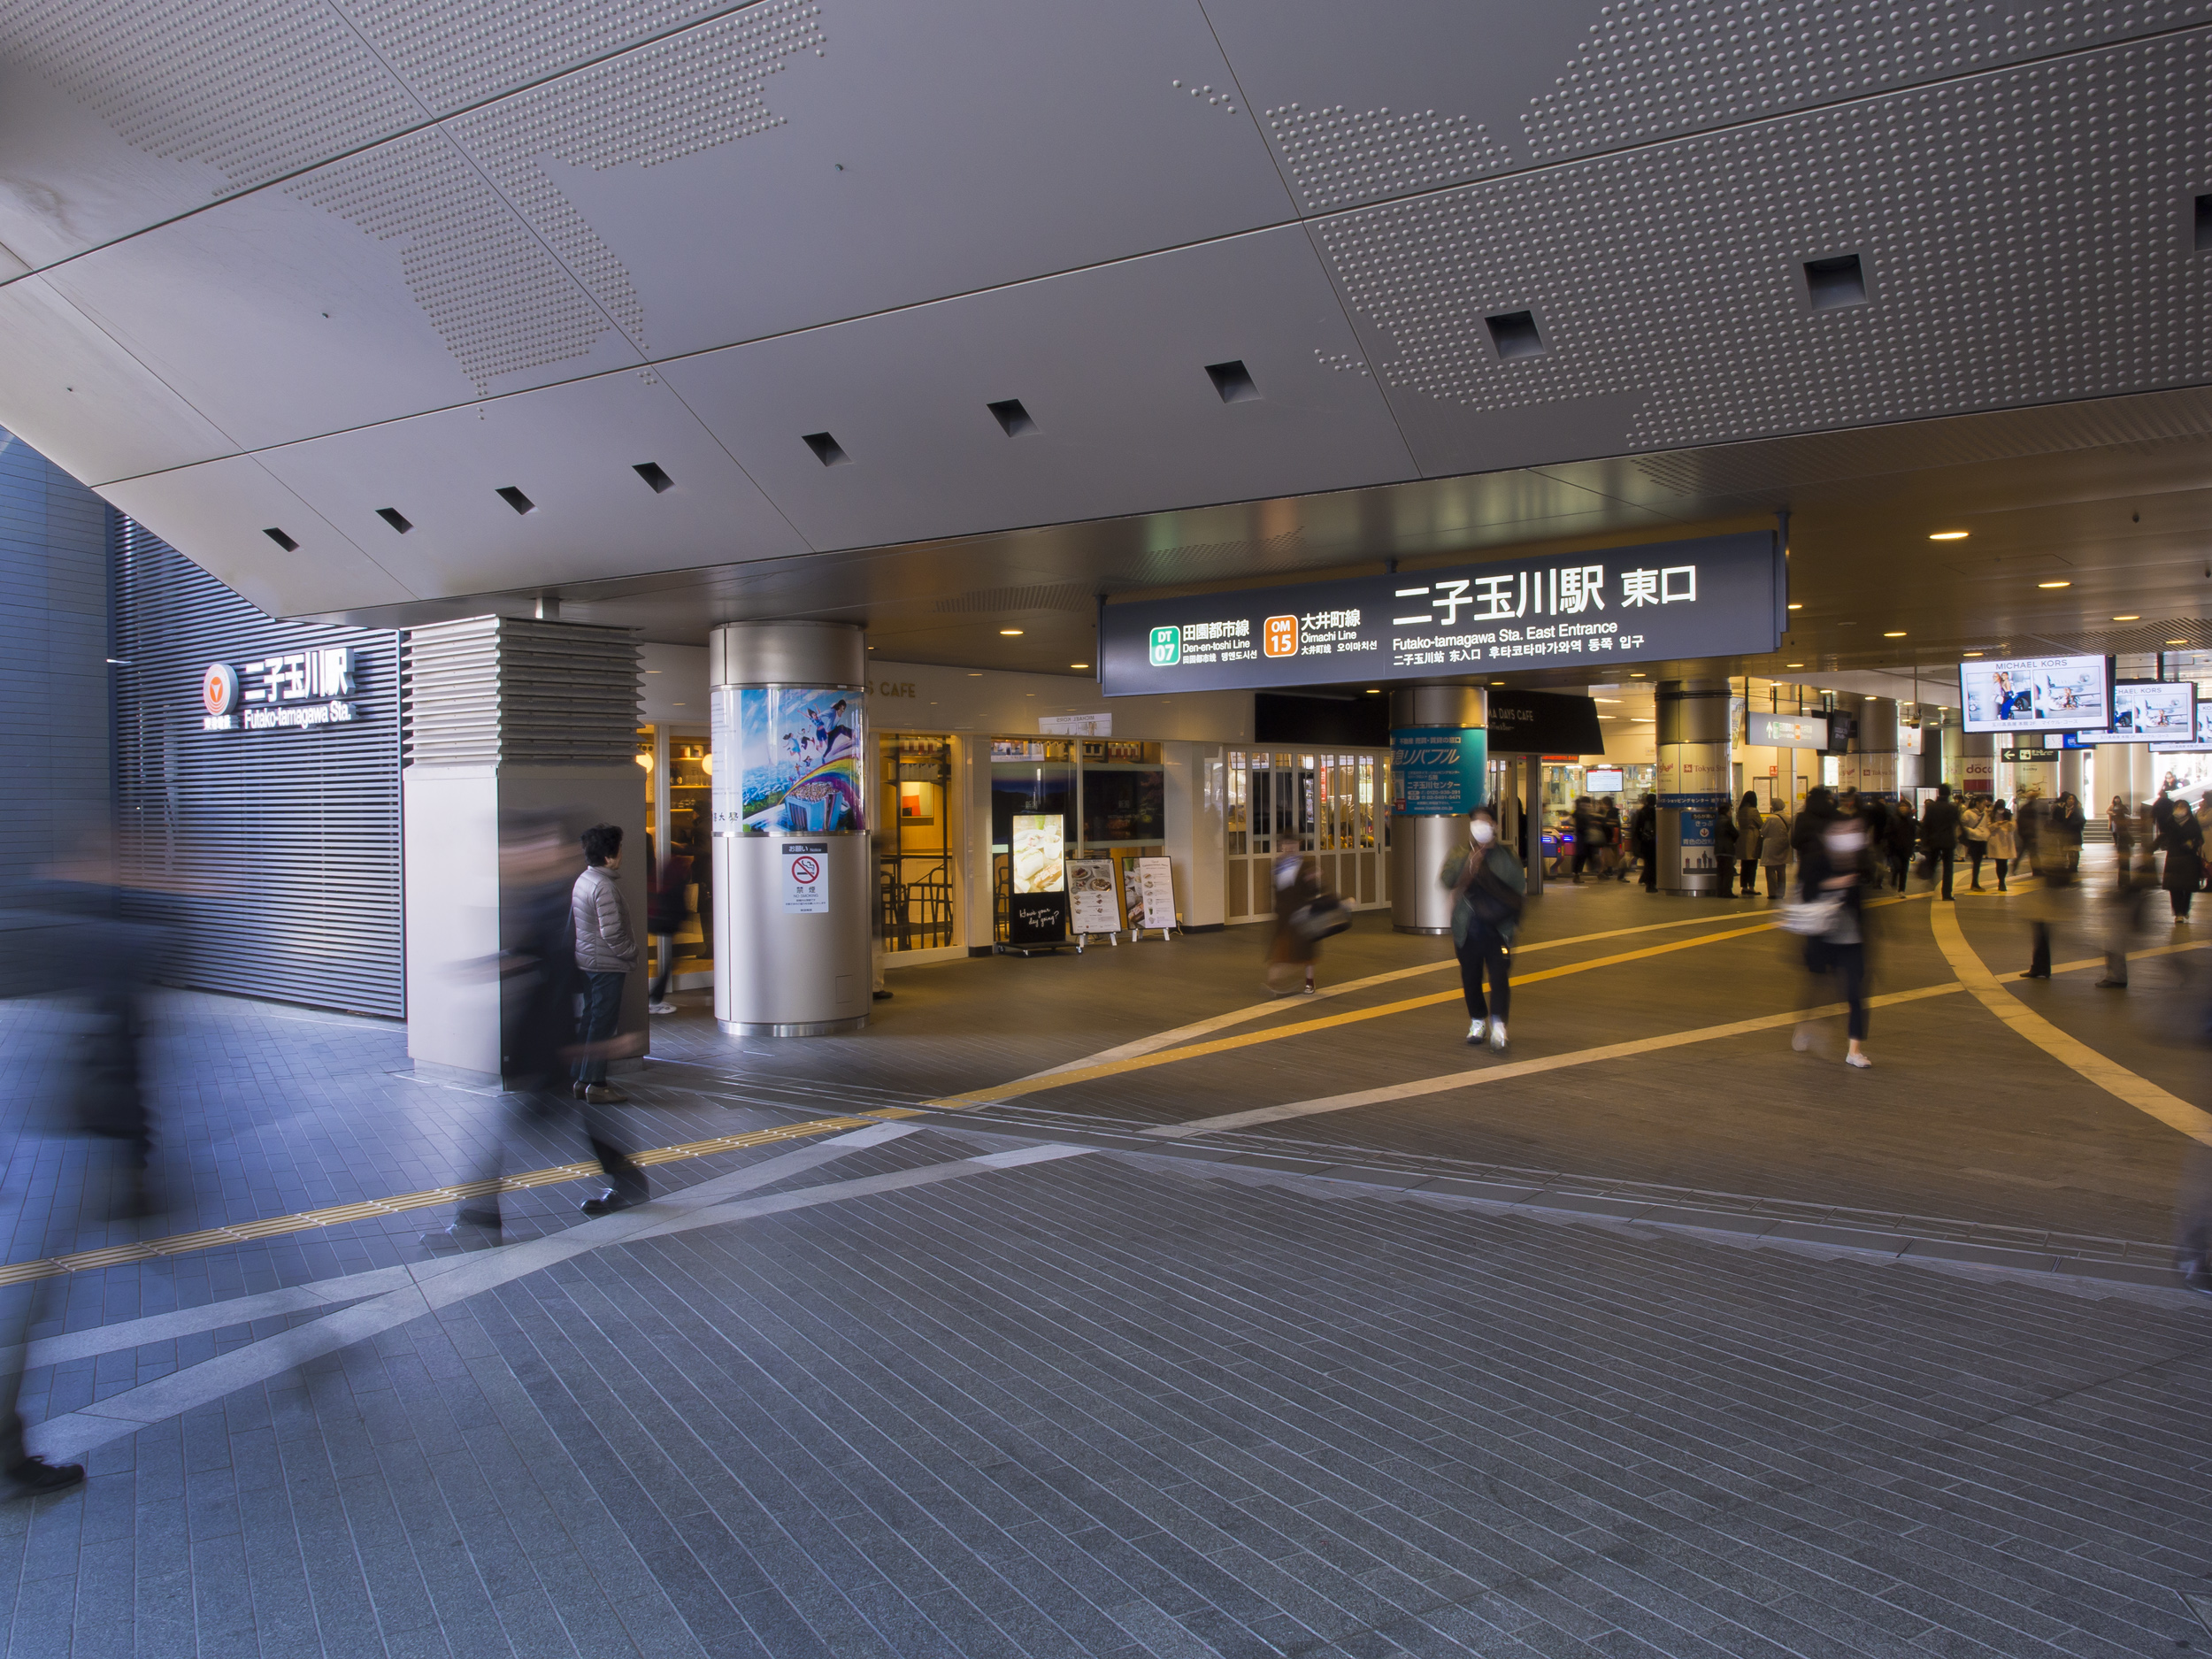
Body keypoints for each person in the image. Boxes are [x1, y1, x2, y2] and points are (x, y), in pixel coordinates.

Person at [442, 814, 649, 1240]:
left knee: (510, 1127)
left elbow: (559, 973)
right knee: (576, 1123)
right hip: (542, 1042)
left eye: (523, 846)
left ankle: (479, 1215)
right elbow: (532, 957)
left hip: (547, 1044)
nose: (511, 856)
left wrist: (584, 1048)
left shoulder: (560, 894)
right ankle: (629, 1183)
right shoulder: (548, 893)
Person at [1793, 799, 1873, 1068]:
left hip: (1852, 939)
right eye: (1843, 830)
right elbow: (1806, 891)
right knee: (1820, 988)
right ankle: (1805, 1025)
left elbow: (1867, 893)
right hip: (1823, 935)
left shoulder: (1859, 858)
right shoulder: (1816, 857)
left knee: (1855, 993)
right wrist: (1835, 882)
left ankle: (1854, 1050)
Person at [1442, 806, 1525, 1051]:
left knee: (1499, 978)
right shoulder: (1459, 853)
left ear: (1495, 826)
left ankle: (1499, 1026)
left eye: (1485, 822)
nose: (1481, 827)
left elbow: (1518, 892)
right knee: (1471, 978)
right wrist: (1467, 863)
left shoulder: (1507, 858)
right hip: (1468, 928)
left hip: (1498, 929)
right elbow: (1446, 881)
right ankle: (1477, 1021)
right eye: (1475, 822)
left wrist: (1512, 927)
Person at [572, 824, 636, 1104]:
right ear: (610, 856)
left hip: (588, 961)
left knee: (591, 1020)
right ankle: (596, 1084)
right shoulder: (604, 887)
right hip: (605, 965)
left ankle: (581, 1078)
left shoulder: (585, 879)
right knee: (602, 1024)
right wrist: (630, 952)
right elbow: (611, 932)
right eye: (620, 848)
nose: (621, 853)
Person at [645, 830, 694, 1014]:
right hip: (666, 917)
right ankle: (655, 997)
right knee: (669, 959)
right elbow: (676, 893)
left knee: (668, 958)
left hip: (658, 914)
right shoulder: (678, 864)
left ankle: (655, 996)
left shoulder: (661, 862)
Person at [1268, 851, 1323, 995]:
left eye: (1292, 843)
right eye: (1285, 844)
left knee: (1306, 951)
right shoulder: (1278, 866)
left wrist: (1313, 878)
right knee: (1282, 948)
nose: (1289, 847)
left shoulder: (1305, 864)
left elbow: (1314, 890)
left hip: (1303, 913)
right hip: (1285, 915)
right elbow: (1276, 891)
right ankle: (1274, 982)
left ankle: (1309, 982)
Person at [2164, 798, 2204, 922]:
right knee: (2175, 887)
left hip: (2188, 858)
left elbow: (2200, 839)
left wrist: (2193, 843)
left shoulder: (2193, 822)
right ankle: (2178, 912)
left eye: (2183, 807)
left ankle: (2185, 909)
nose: (2180, 810)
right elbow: (2166, 838)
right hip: (2174, 858)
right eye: (2178, 807)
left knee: (2187, 887)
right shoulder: (2170, 822)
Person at [1918, 782, 1960, 900]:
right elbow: (1956, 823)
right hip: (1948, 841)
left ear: (1938, 792)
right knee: (1948, 868)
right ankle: (1946, 893)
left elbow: (1926, 824)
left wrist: (1925, 840)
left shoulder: (1931, 807)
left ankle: (1930, 877)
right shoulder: (1952, 808)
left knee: (1932, 862)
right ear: (1949, 794)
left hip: (1934, 840)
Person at [1885, 796, 1916, 895]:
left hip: (1906, 849)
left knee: (1904, 870)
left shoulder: (1911, 821)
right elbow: (1888, 833)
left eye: (1906, 807)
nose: (1903, 808)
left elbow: (1913, 834)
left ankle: (1902, 889)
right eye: (1901, 807)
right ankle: (1894, 878)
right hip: (1895, 849)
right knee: (1897, 867)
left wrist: (1912, 846)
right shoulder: (1893, 819)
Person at [1758, 803, 1790, 899]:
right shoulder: (1788, 818)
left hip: (1771, 845)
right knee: (1781, 870)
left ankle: (1772, 893)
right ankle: (1781, 892)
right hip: (1783, 844)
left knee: (1770, 869)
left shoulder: (1772, 818)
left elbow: (1763, 831)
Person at [1734, 791, 1763, 895]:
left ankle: (1744, 886)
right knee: (1752, 864)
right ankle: (1751, 887)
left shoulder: (1740, 810)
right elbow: (1761, 824)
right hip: (1752, 838)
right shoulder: (1753, 811)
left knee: (1744, 864)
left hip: (1742, 838)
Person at [1960, 795, 1990, 890]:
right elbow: (1962, 825)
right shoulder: (1968, 813)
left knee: (1978, 862)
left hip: (1982, 839)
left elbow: (1987, 825)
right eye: (1983, 804)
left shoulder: (1985, 814)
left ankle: (1975, 882)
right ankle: (1974, 883)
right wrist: (1971, 831)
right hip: (1973, 840)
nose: (1984, 806)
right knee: (1976, 861)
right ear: (1977, 803)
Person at [1986, 802, 2016, 893]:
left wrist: (2010, 825)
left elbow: (2014, 826)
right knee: (1999, 862)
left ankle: (2003, 880)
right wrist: (1997, 824)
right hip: (1996, 840)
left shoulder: (2008, 814)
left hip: (2006, 840)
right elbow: (1988, 827)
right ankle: (2001, 881)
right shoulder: (1991, 815)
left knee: (2004, 862)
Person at [2054, 792, 2085, 873]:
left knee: (2074, 850)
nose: (2071, 800)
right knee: (2068, 850)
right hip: (2065, 834)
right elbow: (2057, 820)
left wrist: (2073, 824)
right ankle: (2069, 865)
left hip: (2075, 834)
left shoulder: (2077, 810)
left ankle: (2074, 866)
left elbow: (2082, 820)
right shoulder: (2061, 809)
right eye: (2069, 799)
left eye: (2073, 799)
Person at [1632, 794, 1658, 892]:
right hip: (1652, 842)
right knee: (1652, 864)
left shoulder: (1642, 812)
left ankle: (1647, 881)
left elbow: (1637, 829)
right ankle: (1650, 884)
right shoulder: (1654, 812)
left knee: (1648, 863)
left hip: (1645, 842)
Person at [2108, 795, 2135, 874]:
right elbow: (2125, 833)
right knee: (2125, 866)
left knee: (2123, 867)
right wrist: (2131, 841)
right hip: (2124, 848)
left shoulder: (2118, 821)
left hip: (2121, 848)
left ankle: (2122, 881)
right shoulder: (2122, 822)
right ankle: (2124, 882)